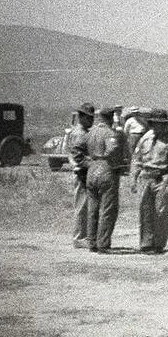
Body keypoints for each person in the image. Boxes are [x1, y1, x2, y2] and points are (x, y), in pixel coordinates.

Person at [70, 105, 126, 253]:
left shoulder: (90, 132)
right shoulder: (109, 133)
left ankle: (92, 242)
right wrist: (107, 158)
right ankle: (103, 243)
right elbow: (112, 149)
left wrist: (88, 162)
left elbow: (75, 149)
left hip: (91, 172)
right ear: (111, 117)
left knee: (92, 209)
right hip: (106, 171)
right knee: (108, 209)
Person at [130, 109, 168, 253]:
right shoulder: (145, 139)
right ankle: (146, 243)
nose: (158, 127)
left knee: (161, 212)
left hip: (161, 178)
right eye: (155, 124)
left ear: (165, 125)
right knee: (145, 211)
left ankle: (158, 244)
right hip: (145, 178)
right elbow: (136, 159)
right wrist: (133, 178)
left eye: (161, 124)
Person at [68, 102, 96, 248]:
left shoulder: (78, 131)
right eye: (89, 118)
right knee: (82, 206)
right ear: (82, 117)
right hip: (81, 172)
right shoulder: (80, 133)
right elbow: (78, 155)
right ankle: (79, 237)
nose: (91, 121)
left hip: (82, 171)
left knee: (84, 205)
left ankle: (82, 236)